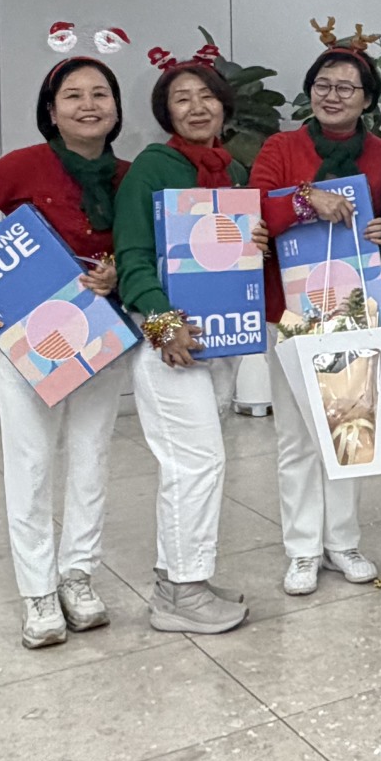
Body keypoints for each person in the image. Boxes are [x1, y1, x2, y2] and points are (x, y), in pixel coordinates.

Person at [0, 58, 131, 650]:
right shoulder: (23, 166)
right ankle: (38, 590)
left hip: (98, 335)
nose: (88, 105)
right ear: (51, 111)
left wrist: (119, 271)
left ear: (116, 108)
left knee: (92, 456)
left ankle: (78, 575)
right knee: (31, 462)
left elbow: (145, 248)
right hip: (28, 340)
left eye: (100, 94)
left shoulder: (130, 175)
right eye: (73, 96)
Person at [113, 53, 260, 636]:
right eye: (182, 99)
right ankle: (182, 592)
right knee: (196, 462)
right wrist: (161, 325)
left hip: (218, 339)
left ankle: (176, 579)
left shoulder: (233, 170)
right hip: (168, 344)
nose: (197, 108)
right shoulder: (151, 170)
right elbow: (132, 259)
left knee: (193, 463)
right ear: (166, 113)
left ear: (223, 105)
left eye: (206, 96)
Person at [250, 43, 381, 595]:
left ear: (367, 100)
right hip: (291, 311)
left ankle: (342, 541)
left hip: (355, 311)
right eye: (322, 86)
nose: (332, 96)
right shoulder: (281, 146)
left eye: (345, 88)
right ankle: (302, 549)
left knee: (348, 429)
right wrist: (305, 200)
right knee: (295, 436)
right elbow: (252, 209)